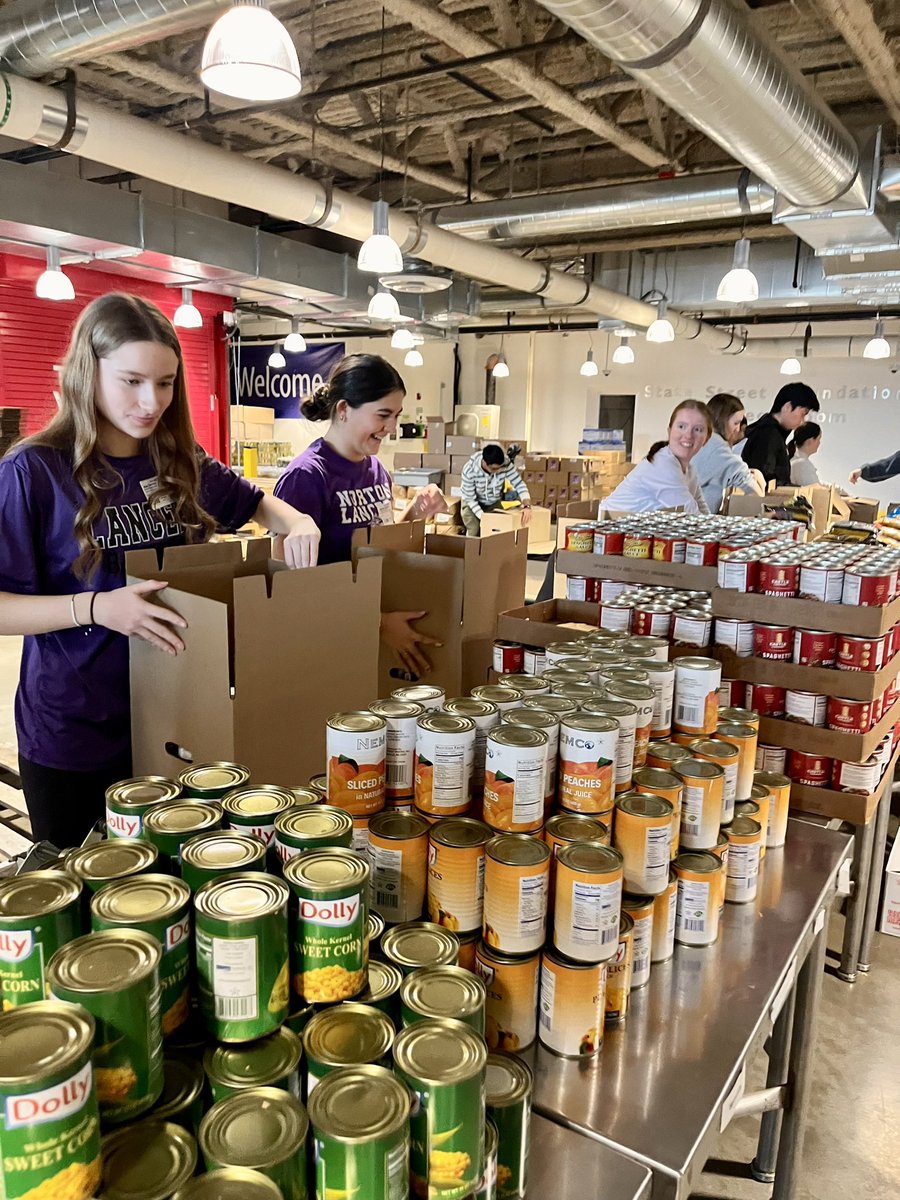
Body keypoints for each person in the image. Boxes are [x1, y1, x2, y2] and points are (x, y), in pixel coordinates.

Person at [0, 293, 321, 848]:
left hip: (179, 714)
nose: (151, 402)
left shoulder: (176, 459)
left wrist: (296, 520)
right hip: (77, 730)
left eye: (166, 383)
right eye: (131, 381)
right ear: (87, 372)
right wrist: (97, 607)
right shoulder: (32, 472)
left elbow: (255, 503)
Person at [273, 353, 448, 678]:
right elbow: (287, 583)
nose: (392, 428)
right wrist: (377, 621)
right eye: (383, 415)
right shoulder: (307, 477)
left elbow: (377, 543)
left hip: (372, 627)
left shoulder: (376, 469)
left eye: (396, 415)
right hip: (325, 640)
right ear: (343, 410)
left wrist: (415, 513)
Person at [602, 400, 712, 514]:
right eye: (681, 426)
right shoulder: (663, 464)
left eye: (698, 429)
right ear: (669, 431)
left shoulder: (690, 471)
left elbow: (703, 513)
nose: (688, 435)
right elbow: (690, 514)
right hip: (608, 526)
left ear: (707, 438)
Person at [692, 393, 765, 512]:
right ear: (722, 420)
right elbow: (755, 495)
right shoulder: (718, 449)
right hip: (696, 523)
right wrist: (759, 478)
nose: (738, 429)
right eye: (736, 423)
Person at [741, 383, 820, 487]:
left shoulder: (770, 431)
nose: (802, 420)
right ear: (787, 407)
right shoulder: (768, 434)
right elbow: (767, 481)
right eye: (803, 413)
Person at [460, 443, 532, 536]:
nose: (498, 471)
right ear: (485, 463)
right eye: (495, 469)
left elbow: (519, 484)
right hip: (471, 503)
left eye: (500, 468)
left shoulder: (505, 465)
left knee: (497, 530)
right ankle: (471, 549)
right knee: (475, 529)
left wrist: (527, 506)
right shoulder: (469, 470)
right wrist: (483, 517)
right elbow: (470, 499)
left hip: (493, 502)